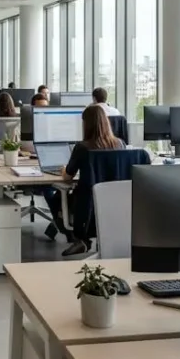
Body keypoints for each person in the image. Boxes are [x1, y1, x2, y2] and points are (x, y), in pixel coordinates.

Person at [46, 105, 126, 256]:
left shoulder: (82, 147)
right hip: (115, 204)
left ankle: (78, 239)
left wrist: (63, 169)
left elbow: (68, 177)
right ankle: (85, 239)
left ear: (86, 124)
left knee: (55, 197)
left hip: (88, 204)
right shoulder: (120, 144)